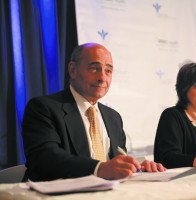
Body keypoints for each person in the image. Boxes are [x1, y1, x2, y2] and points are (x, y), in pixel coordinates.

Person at [21, 43, 165, 181]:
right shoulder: (43, 108)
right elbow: (45, 158)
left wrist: (137, 168)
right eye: (94, 68)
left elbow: (117, 162)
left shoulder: (113, 117)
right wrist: (98, 168)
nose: (102, 78)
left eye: (108, 71)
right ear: (72, 70)